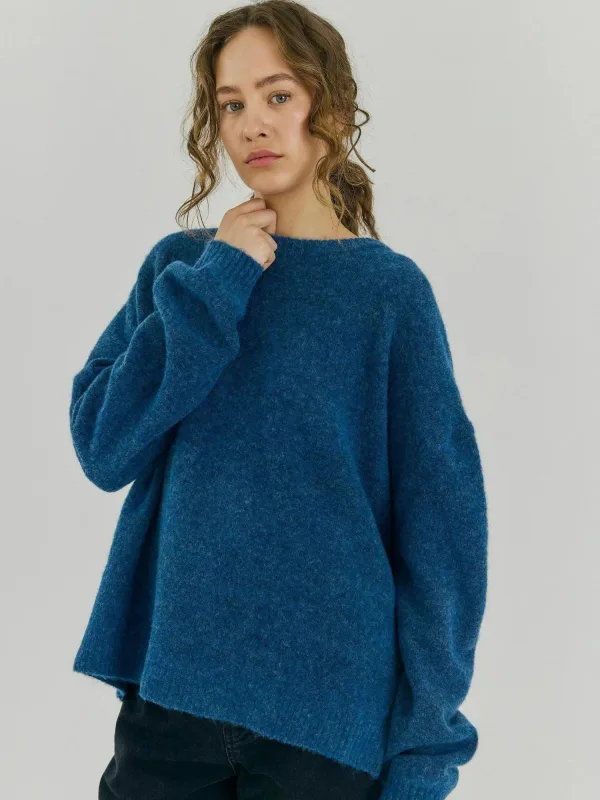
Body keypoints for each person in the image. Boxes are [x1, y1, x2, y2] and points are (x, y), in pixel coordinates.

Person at [69, 2, 488, 799]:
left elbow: (443, 538)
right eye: (231, 104)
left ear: (330, 103)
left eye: (278, 95)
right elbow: (104, 445)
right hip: (172, 704)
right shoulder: (184, 270)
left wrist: (427, 751)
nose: (252, 124)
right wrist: (220, 279)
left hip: (326, 721)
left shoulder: (389, 295)